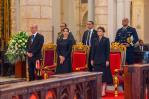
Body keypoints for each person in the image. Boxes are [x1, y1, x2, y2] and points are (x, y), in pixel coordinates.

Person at [91, 26, 112, 96]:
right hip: (96, 60)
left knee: (104, 77)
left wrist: (107, 60)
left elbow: (107, 51)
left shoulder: (106, 40)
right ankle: (98, 90)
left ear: (103, 32)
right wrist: (92, 59)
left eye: (100, 31)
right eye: (98, 31)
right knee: (97, 77)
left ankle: (103, 91)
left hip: (103, 60)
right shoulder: (94, 39)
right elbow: (92, 50)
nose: (99, 32)